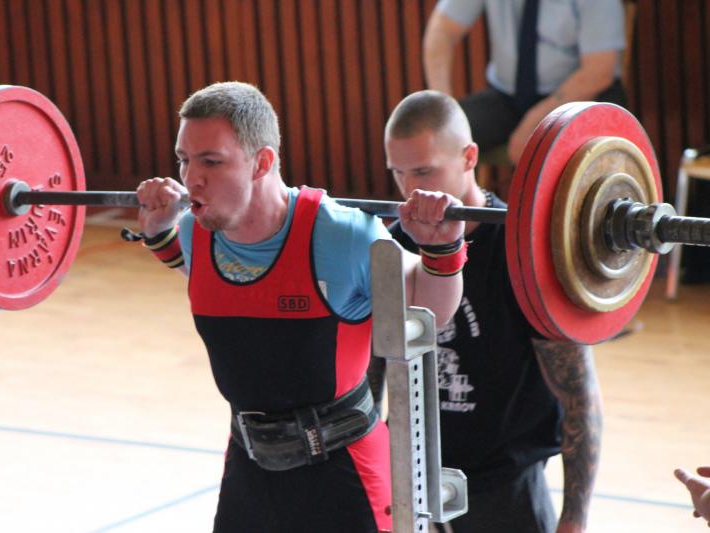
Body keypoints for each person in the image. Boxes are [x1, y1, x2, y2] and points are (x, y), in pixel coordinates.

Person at [136, 81, 466, 533]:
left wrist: (441, 249)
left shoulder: (344, 236)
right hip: (251, 471)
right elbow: (212, 282)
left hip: (345, 478)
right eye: (184, 159)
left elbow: (430, 311)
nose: (191, 178)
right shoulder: (196, 231)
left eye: (211, 161)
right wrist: (160, 236)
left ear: (262, 162)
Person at [381, 90, 603, 533]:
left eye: (423, 171)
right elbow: (368, 380)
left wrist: (574, 519)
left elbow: (579, 396)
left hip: (506, 486)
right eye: (397, 173)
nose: (409, 190)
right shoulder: (393, 247)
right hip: (412, 479)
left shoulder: (522, 255)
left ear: (469, 157)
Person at [423, 0, 627, 164]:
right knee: (440, 138)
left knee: (591, 153)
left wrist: (538, 122)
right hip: (507, 97)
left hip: (581, 98)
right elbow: (442, 30)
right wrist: (445, 106)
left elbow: (599, 71)